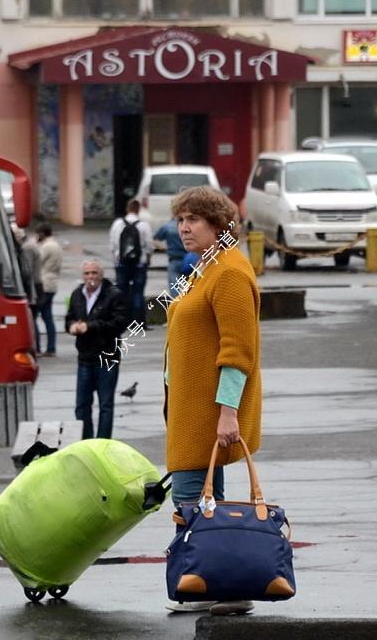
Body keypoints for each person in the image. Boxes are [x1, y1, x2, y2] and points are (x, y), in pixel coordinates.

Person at [163, 186, 261, 616]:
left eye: (194, 219)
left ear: (219, 225)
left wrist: (227, 413)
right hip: (189, 410)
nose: (184, 227)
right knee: (205, 503)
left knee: (189, 502)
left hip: (207, 415)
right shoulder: (205, 267)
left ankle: (210, 584)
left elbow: (237, 353)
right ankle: (219, 585)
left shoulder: (230, 273)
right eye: (181, 219)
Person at [64, 258, 129, 439]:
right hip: (85, 356)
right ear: (82, 276)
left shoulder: (113, 294)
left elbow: (120, 323)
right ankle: (86, 442)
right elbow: (69, 318)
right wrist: (71, 327)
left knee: (105, 405)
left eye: (94, 273)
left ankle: (102, 443)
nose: (90, 277)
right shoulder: (77, 294)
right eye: (87, 273)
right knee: (82, 405)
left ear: (101, 275)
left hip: (107, 356)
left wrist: (90, 326)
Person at [110, 199, 153, 325]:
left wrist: (116, 259)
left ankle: (122, 320)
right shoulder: (144, 225)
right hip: (139, 264)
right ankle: (138, 322)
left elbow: (112, 245)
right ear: (138, 209)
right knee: (138, 292)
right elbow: (149, 246)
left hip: (121, 263)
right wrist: (148, 259)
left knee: (121, 292)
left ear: (127, 209)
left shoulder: (117, 224)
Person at [35, 222, 63, 357]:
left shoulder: (47, 246)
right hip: (52, 284)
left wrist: (36, 245)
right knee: (48, 317)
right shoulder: (56, 245)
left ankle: (37, 347)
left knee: (33, 316)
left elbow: (37, 260)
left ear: (41, 234)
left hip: (44, 284)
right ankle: (51, 347)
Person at [13, 225, 43, 327]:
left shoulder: (27, 248)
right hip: (35, 286)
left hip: (33, 288)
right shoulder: (28, 245)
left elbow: (26, 271)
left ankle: (36, 343)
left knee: (31, 323)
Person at [154, 217, 187, 291]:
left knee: (175, 289)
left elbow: (155, 240)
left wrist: (164, 248)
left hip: (174, 260)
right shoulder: (187, 226)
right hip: (189, 260)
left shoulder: (167, 226)